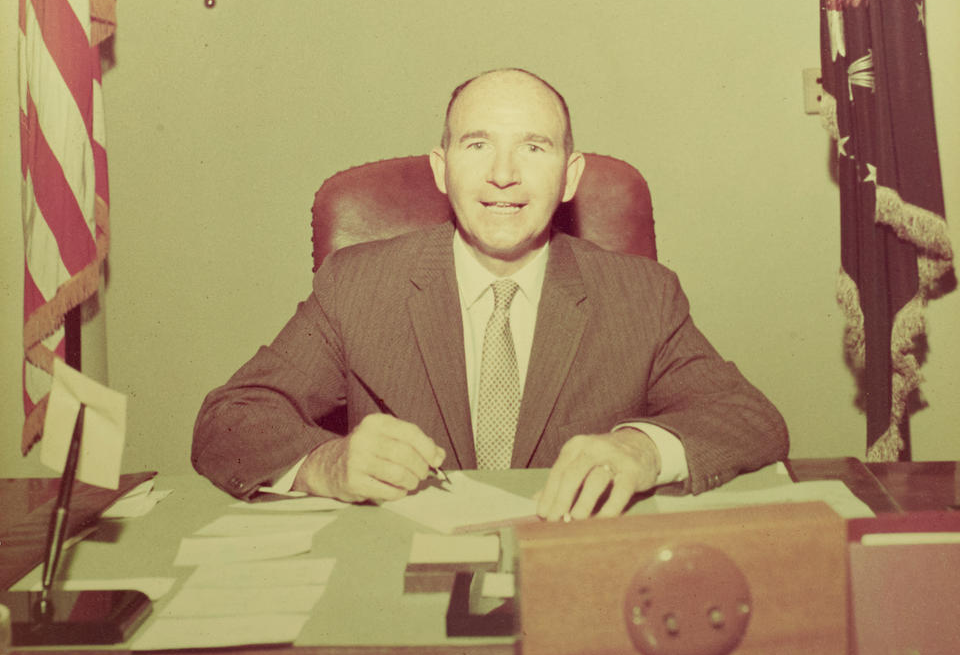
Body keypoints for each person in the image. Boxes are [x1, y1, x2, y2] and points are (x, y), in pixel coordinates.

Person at [192, 68, 788, 520]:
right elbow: (228, 422)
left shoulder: (641, 295)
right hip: (402, 576)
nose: (504, 174)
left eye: (534, 147)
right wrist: (328, 465)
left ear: (570, 176)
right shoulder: (358, 285)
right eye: (477, 145)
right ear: (441, 167)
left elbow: (750, 418)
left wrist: (643, 451)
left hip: (574, 568)